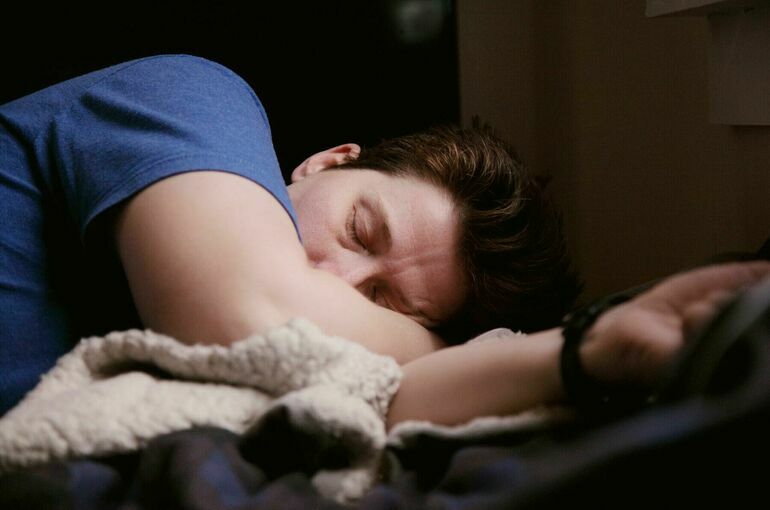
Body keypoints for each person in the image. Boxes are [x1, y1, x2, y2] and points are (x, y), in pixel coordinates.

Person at [1, 54, 768, 427]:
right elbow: (255, 324)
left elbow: (369, 386)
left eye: (382, 301)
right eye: (359, 230)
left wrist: (593, 352)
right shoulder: (193, 96)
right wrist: (466, 346)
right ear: (328, 162)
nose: (332, 281)